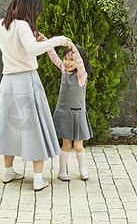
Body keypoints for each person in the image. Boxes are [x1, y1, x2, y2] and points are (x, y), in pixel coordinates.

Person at [0, 0, 72, 191]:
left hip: (8, 82)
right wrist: (58, 40)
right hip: (26, 81)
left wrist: (36, 36)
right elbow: (31, 50)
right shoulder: (22, 25)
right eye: (36, 10)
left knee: (10, 128)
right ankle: (38, 178)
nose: (36, 14)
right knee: (34, 129)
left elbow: (18, 47)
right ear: (29, 7)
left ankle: (8, 171)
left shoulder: (3, 24)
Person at [45, 42, 93, 181]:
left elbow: (80, 63)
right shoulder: (64, 71)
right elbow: (54, 57)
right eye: (66, 59)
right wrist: (47, 42)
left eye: (71, 59)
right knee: (66, 145)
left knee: (78, 146)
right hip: (64, 113)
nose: (67, 62)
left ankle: (82, 168)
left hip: (77, 113)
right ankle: (62, 171)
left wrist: (73, 49)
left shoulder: (81, 75)